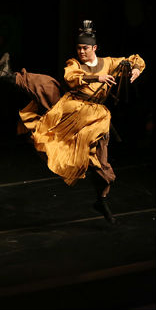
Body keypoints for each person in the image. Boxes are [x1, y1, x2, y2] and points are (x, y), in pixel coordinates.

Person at [29, 20, 145, 223]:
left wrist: (135, 69)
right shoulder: (75, 64)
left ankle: (102, 200)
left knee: (102, 167)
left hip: (96, 120)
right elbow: (71, 77)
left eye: (85, 48)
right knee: (44, 86)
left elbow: (135, 59)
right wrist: (96, 78)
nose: (81, 51)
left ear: (94, 48)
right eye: (79, 48)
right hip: (74, 111)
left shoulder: (109, 62)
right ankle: (12, 77)